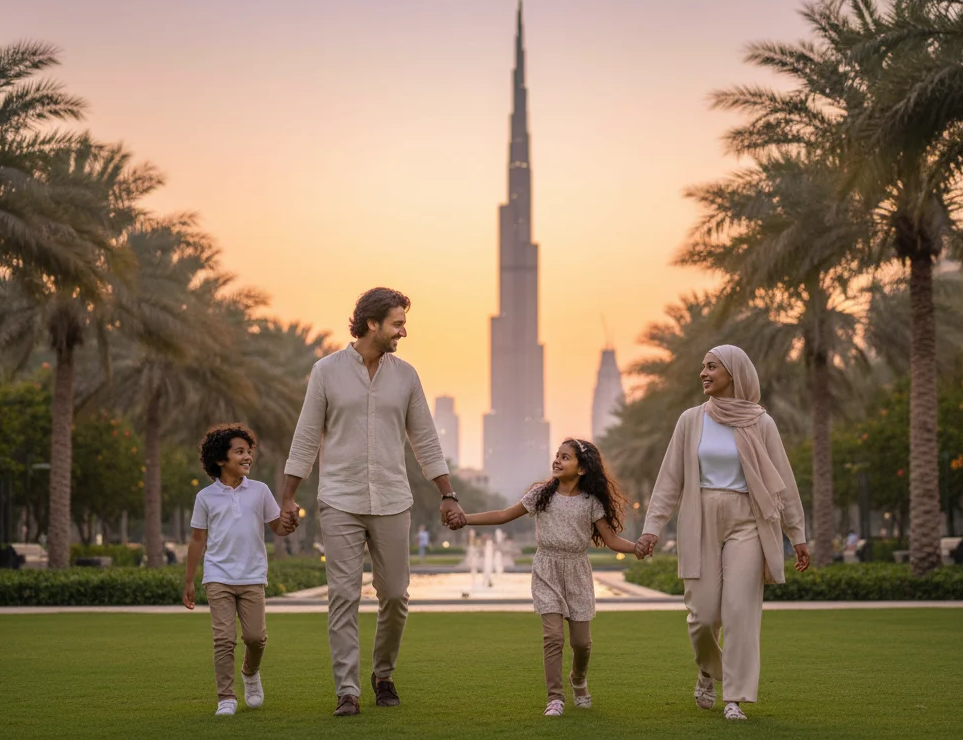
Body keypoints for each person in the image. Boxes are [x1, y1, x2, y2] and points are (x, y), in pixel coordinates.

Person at [279, 287, 465, 717]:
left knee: (396, 596)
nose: (404, 331)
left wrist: (448, 494)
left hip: (392, 500)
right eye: (398, 323)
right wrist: (287, 497)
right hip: (339, 499)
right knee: (342, 595)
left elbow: (425, 441)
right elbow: (306, 436)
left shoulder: (407, 376)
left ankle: (382, 674)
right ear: (372, 324)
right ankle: (347, 690)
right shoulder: (325, 372)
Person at [635, 345, 810, 721]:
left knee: (739, 612)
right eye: (702, 367)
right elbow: (670, 480)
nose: (703, 373)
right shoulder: (690, 420)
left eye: (712, 366)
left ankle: (734, 697)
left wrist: (797, 534)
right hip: (700, 517)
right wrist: (652, 528)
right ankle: (707, 670)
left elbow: (784, 483)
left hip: (748, 519)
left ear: (734, 373)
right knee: (702, 615)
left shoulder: (760, 423)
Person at [455, 438, 640, 717]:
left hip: (576, 569)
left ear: (581, 469)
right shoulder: (541, 495)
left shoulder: (591, 503)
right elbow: (504, 515)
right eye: (557, 455)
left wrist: (636, 548)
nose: (557, 460)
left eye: (566, 457)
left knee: (581, 643)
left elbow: (612, 540)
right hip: (547, 568)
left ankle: (578, 679)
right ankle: (555, 698)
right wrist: (464, 518)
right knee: (553, 637)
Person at [183, 424, 295, 716]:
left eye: (249, 452)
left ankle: (250, 672)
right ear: (221, 459)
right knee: (223, 639)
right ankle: (226, 698)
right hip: (218, 576)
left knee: (256, 638)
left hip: (252, 576)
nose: (247, 457)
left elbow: (277, 528)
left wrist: (291, 523)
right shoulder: (205, 498)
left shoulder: (260, 491)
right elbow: (197, 540)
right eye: (240, 452)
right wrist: (189, 581)